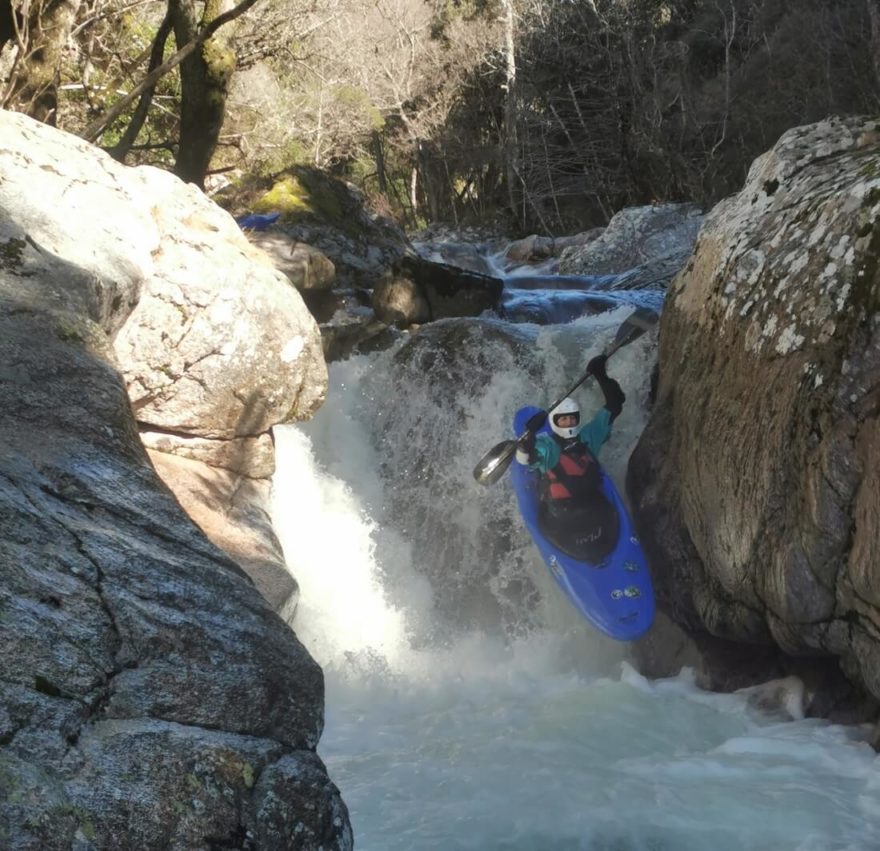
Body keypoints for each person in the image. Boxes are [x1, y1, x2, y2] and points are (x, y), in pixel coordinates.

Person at [515, 354, 626, 561]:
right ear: (555, 422)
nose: (568, 422)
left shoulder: (588, 437)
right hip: (561, 516)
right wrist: (527, 439)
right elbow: (526, 459)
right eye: (563, 419)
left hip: (593, 508)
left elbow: (615, 404)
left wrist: (602, 376)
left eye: (571, 418)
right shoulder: (547, 446)